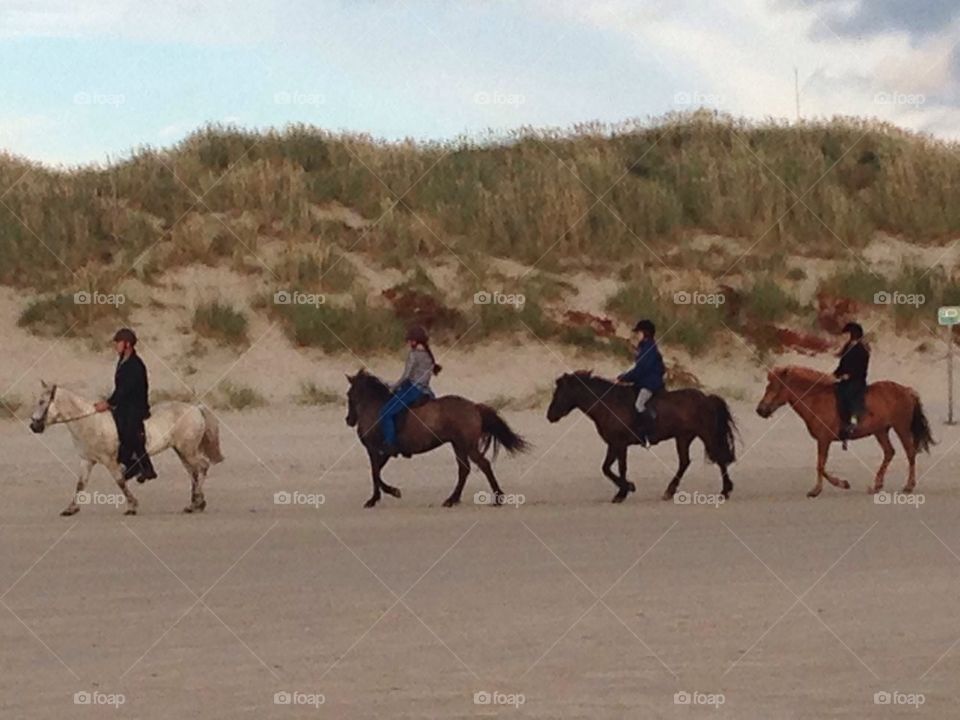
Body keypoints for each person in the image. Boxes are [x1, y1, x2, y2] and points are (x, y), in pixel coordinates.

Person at [94, 328, 157, 482]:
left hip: (136, 405)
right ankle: (127, 462)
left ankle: (144, 467)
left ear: (127, 344)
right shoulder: (122, 360)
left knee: (130, 429)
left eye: (118, 342)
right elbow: (119, 389)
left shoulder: (135, 364)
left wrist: (108, 403)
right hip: (124, 403)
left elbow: (125, 389)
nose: (116, 345)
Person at [378, 325, 441, 457]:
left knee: (386, 413)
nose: (409, 343)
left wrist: (393, 386)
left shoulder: (414, 355)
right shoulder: (428, 356)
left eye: (410, 340)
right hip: (426, 390)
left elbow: (406, 376)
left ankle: (390, 444)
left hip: (413, 389)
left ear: (415, 341)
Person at [618, 319, 666, 447]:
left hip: (650, 384)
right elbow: (635, 368)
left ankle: (648, 434)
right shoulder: (644, 348)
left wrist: (624, 379)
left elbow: (641, 369)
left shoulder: (649, 349)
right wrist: (622, 377)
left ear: (645, 334)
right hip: (643, 382)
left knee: (639, 405)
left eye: (638, 333)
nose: (637, 336)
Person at [834, 321, 869, 450]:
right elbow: (842, 365)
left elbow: (861, 368)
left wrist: (849, 375)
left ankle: (853, 419)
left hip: (857, 380)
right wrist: (836, 374)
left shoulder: (862, 350)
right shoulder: (848, 347)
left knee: (850, 394)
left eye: (849, 334)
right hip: (845, 379)